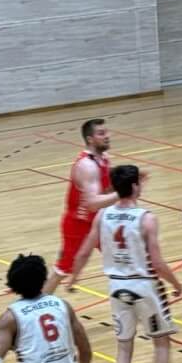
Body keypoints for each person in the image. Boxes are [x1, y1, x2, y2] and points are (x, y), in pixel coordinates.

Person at [68, 164, 182, 363]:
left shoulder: (102, 216)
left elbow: (85, 250)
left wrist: (74, 278)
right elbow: (157, 262)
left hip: (116, 288)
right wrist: (176, 283)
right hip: (144, 286)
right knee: (161, 342)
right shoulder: (146, 218)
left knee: (124, 348)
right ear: (135, 186)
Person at [49, 118, 117, 291]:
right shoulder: (87, 165)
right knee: (62, 269)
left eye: (107, 132)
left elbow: (106, 190)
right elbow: (92, 204)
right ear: (90, 139)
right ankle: (36, 302)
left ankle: (129, 294)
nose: (107, 136)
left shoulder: (104, 159)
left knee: (121, 258)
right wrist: (122, 193)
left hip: (98, 221)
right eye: (101, 133)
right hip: (78, 224)